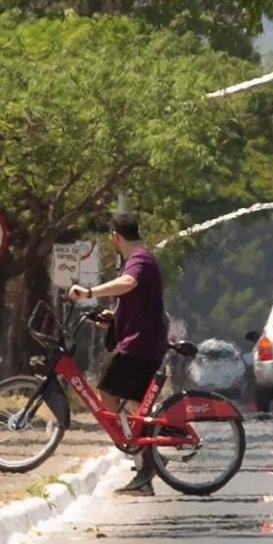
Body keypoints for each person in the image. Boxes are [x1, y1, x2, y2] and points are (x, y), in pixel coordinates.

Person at [68, 213, 167, 497]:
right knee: (138, 408)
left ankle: (137, 452)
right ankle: (145, 463)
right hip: (144, 343)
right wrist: (113, 318)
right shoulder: (139, 258)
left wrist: (89, 291)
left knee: (108, 393)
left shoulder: (138, 260)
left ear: (115, 236)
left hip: (139, 346)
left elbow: (128, 284)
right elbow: (136, 303)